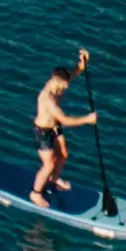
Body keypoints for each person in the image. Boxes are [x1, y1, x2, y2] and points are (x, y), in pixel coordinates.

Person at [31, 49, 97, 205]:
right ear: (55, 80)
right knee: (49, 164)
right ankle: (35, 193)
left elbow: (77, 70)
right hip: (43, 131)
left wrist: (84, 61)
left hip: (54, 125)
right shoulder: (48, 98)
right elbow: (65, 120)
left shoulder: (60, 82)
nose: (67, 87)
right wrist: (87, 119)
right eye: (64, 84)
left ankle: (53, 181)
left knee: (64, 154)